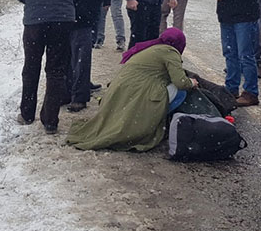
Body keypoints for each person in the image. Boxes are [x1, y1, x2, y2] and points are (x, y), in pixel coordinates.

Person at [7, 0, 90, 134]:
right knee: (56, 70)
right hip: (63, 19)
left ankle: (27, 114)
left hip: (35, 19)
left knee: (31, 67)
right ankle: (50, 120)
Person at [66, 28, 196, 151]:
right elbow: (180, 82)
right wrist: (192, 82)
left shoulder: (152, 48)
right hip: (138, 91)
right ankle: (155, 122)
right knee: (181, 92)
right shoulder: (170, 51)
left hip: (122, 91)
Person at [64, 0, 102, 112]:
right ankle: (66, 93)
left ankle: (79, 97)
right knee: (65, 60)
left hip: (82, 19)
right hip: (63, 19)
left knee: (81, 60)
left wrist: (91, 17)